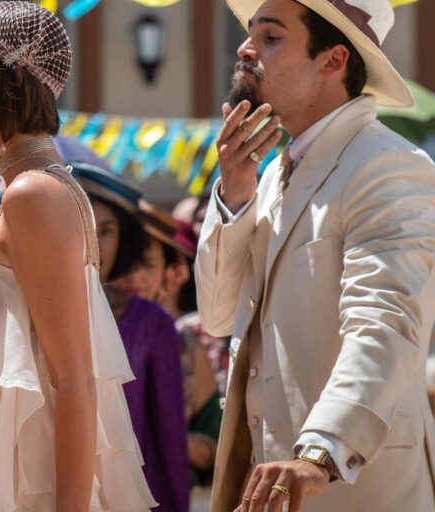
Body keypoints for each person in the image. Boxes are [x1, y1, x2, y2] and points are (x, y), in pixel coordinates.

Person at [0, 3, 156, 510]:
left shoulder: (33, 194)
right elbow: (23, 330)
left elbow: (73, 378)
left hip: (28, 485)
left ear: (11, 81)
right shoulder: (28, 188)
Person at [198, 0, 435, 511]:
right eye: (250, 33)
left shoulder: (388, 164)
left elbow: (386, 320)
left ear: (333, 61)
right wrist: (234, 194)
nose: (245, 48)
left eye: (271, 36)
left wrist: (321, 451)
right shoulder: (274, 174)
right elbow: (217, 315)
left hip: (354, 491)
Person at [72, 162, 191, 511]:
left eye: (106, 230)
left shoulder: (152, 322)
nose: (94, 242)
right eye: (83, 226)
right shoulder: (25, 313)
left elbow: (169, 437)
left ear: (124, 238)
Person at [112, 200, 223, 487]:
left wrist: (166, 441)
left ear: (168, 274)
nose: (134, 275)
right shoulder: (83, 336)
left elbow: (216, 446)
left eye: (147, 264)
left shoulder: (185, 348)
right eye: (124, 262)